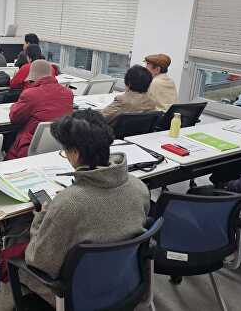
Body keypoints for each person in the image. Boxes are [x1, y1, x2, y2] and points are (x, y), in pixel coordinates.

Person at [23, 110, 150, 306]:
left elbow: (40, 262)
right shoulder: (139, 187)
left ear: (75, 153)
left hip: (78, 295)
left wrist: (41, 217)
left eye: (64, 150)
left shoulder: (68, 204)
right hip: (126, 281)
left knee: (13, 251)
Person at [5, 60, 74, 160]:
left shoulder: (30, 94)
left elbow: (14, 118)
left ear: (32, 77)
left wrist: (14, 106)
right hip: (58, 145)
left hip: (28, 146)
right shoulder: (68, 93)